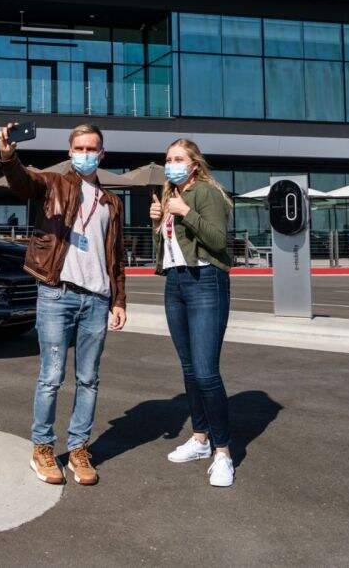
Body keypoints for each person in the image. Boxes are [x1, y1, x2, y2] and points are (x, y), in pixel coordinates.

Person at [0, 122, 127, 486]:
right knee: (51, 377)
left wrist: (119, 300)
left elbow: (116, 257)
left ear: (101, 154)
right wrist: (9, 156)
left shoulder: (111, 202)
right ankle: (42, 447)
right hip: (58, 294)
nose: (85, 155)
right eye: (79, 148)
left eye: (92, 149)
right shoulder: (54, 184)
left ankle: (79, 447)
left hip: (97, 300)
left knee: (89, 378)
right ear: (70, 152)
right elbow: (23, 181)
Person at [149, 138, 236, 487]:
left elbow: (217, 240)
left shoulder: (204, 194)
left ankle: (223, 452)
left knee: (205, 373)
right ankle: (200, 439)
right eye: (168, 158)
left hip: (205, 281)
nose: (172, 163)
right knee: (188, 369)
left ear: (194, 164)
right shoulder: (172, 197)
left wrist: (185, 213)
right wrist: (159, 220)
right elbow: (171, 248)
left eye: (179, 158)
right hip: (177, 283)